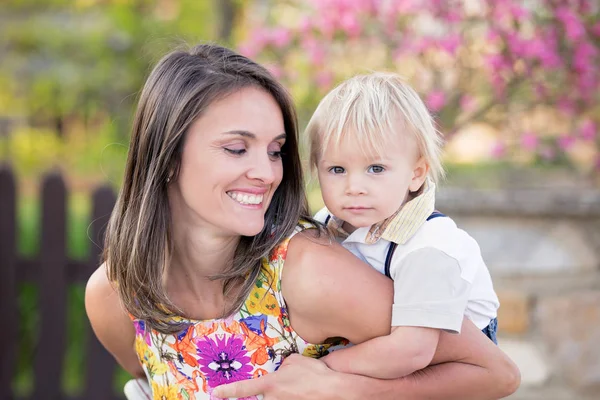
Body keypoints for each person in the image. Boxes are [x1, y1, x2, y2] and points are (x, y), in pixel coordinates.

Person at [85, 43, 520, 400]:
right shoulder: (115, 295)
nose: (267, 172)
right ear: (167, 157)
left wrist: (341, 385)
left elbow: (495, 373)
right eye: (237, 149)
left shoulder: (308, 272)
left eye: (275, 151)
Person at [299, 72, 500, 379]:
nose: (354, 186)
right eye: (337, 169)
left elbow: (412, 351)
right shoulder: (329, 222)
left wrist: (321, 369)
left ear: (416, 173)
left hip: (445, 367)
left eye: (375, 168)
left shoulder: (430, 248)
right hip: (382, 351)